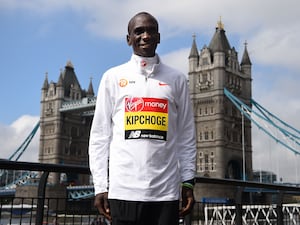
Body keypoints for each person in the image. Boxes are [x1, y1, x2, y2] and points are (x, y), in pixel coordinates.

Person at [89, 11, 196, 225]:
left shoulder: (177, 79)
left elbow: (186, 135)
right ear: (128, 39)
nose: (145, 36)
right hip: (123, 192)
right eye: (139, 31)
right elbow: (100, 136)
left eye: (151, 31)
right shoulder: (112, 77)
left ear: (159, 37)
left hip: (165, 193)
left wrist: (188, 181)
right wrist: (100, 186)